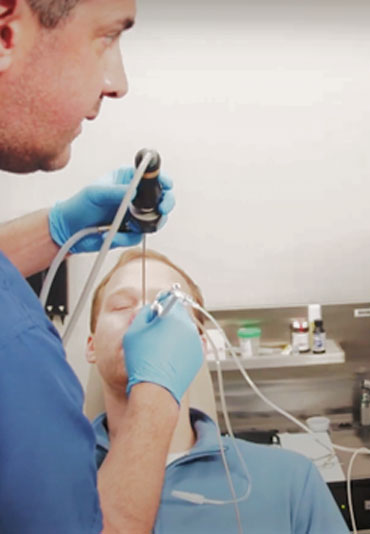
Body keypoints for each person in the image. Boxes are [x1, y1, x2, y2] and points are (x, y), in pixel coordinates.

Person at [0, 1, 203, 532]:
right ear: (4, 30)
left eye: (167, 304)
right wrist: (156, 394)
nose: (118, 83)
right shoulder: (15, 350)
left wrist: (60, 229)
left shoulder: (287, 480)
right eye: (108, 37)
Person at [86, 248, 351, 534]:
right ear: (91, 346)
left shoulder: (291, 480)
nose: (142, 316)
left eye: (167, 303)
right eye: (122, 306)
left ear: (199, 347)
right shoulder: (47, 482)